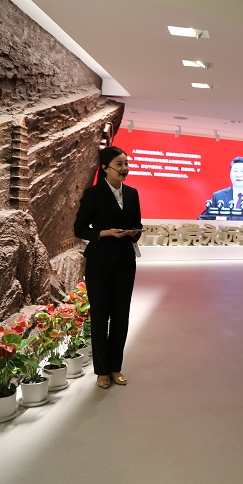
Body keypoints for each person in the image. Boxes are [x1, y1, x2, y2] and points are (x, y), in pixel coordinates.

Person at [74, 146, 142, 389]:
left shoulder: (132, 193)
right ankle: (102, 371)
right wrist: (104, 233)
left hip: (125, 261)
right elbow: (80, 229)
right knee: (101, 315)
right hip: (100, 262)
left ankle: (115, 368)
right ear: (105, 168)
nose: (124, 169)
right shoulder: (93, 194)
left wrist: (133, 233)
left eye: (126, 164)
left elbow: (137, 224)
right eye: (119, 164)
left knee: (121, 315)